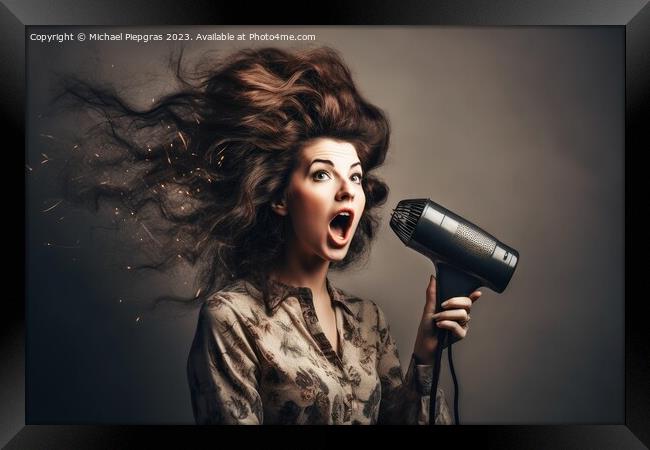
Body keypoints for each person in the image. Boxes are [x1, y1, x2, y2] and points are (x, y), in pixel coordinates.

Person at [60, 45, 481, 425]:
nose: (346, 190)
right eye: (322, 174)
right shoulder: (233, 319)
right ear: (279, 197)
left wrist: (427, 353)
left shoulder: (368, 320)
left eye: (355, 177)